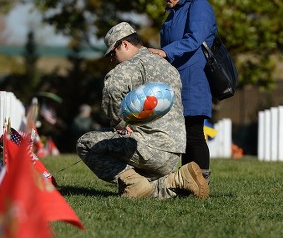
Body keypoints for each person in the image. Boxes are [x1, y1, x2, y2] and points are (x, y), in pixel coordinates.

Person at [76, 22, 209, 199]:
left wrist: (119, 124)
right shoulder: (166, 66)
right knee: (143, 184)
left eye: (113, 54)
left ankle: (134, 184)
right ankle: (178, 179)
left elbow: (112, 89)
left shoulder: (132, 65)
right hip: (173, 152)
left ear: (124, 44)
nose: (113, 60)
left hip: (147, 148)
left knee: (85, 143)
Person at [149, 0, 217, 182]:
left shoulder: (198, 6)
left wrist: (164, 52)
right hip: (176, 78)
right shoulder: (175, 10)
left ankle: (200, 182)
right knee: (183, 136)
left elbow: (194, 39)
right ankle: (188, 182)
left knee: (194, 133)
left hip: (193, 78)